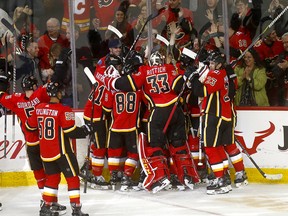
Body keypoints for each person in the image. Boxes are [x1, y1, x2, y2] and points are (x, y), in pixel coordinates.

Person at [102, 50, 199, 193]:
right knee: (178, 144)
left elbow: (127, 84)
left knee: (156, 146)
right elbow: (179, 87)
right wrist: (187, 76)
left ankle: (160, 177)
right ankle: (186, 176)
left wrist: (108, 80)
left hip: (158, 113)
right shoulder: (169, 68)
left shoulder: (144, 71)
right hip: (175, 111)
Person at [0, 74, 66, 215]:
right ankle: (51, 201)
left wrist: (3, 81)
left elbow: (1, 97)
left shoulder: (16, 100)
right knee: (52, 174)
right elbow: (53, 85)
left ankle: (46, 200)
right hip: (45, 143)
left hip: (31, 144)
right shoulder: (40, 94)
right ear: (34, 85)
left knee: (39, 175)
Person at [26, 81, 90, 216]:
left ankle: (46, 207)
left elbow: (29, 127)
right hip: (62, 153)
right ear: (58, 93)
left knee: (52, 179)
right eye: (61, 91)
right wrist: (86, 130)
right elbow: (71, 132)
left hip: (46, 153)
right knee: (73, 178)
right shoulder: (63, 109)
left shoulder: (38, 108)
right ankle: (76, 209)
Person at [185, 53, 233, 195]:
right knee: (217, 148)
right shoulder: (222, 73)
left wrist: (193, 78)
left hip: (214, 116)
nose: (209, 66)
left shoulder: (217, 74)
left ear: (219, 64)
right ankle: (223, 178)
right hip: (221, 116)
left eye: (212, 63)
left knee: (211, 148)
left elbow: (201, 91)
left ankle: (220, 181)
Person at [102, 55, 143, 191]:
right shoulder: (137, 91)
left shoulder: (113, 91)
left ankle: (114, 176)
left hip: (115, 128)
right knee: (133, 153)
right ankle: (127, 176)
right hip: (131, 128)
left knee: (114, 152)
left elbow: (106, 108)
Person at [271, 32, 288, 105]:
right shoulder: (282, 55)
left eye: (287, 42)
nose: (285, 45)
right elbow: (275, 71)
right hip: (283, 92)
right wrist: (283, 68)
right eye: (283, 43)